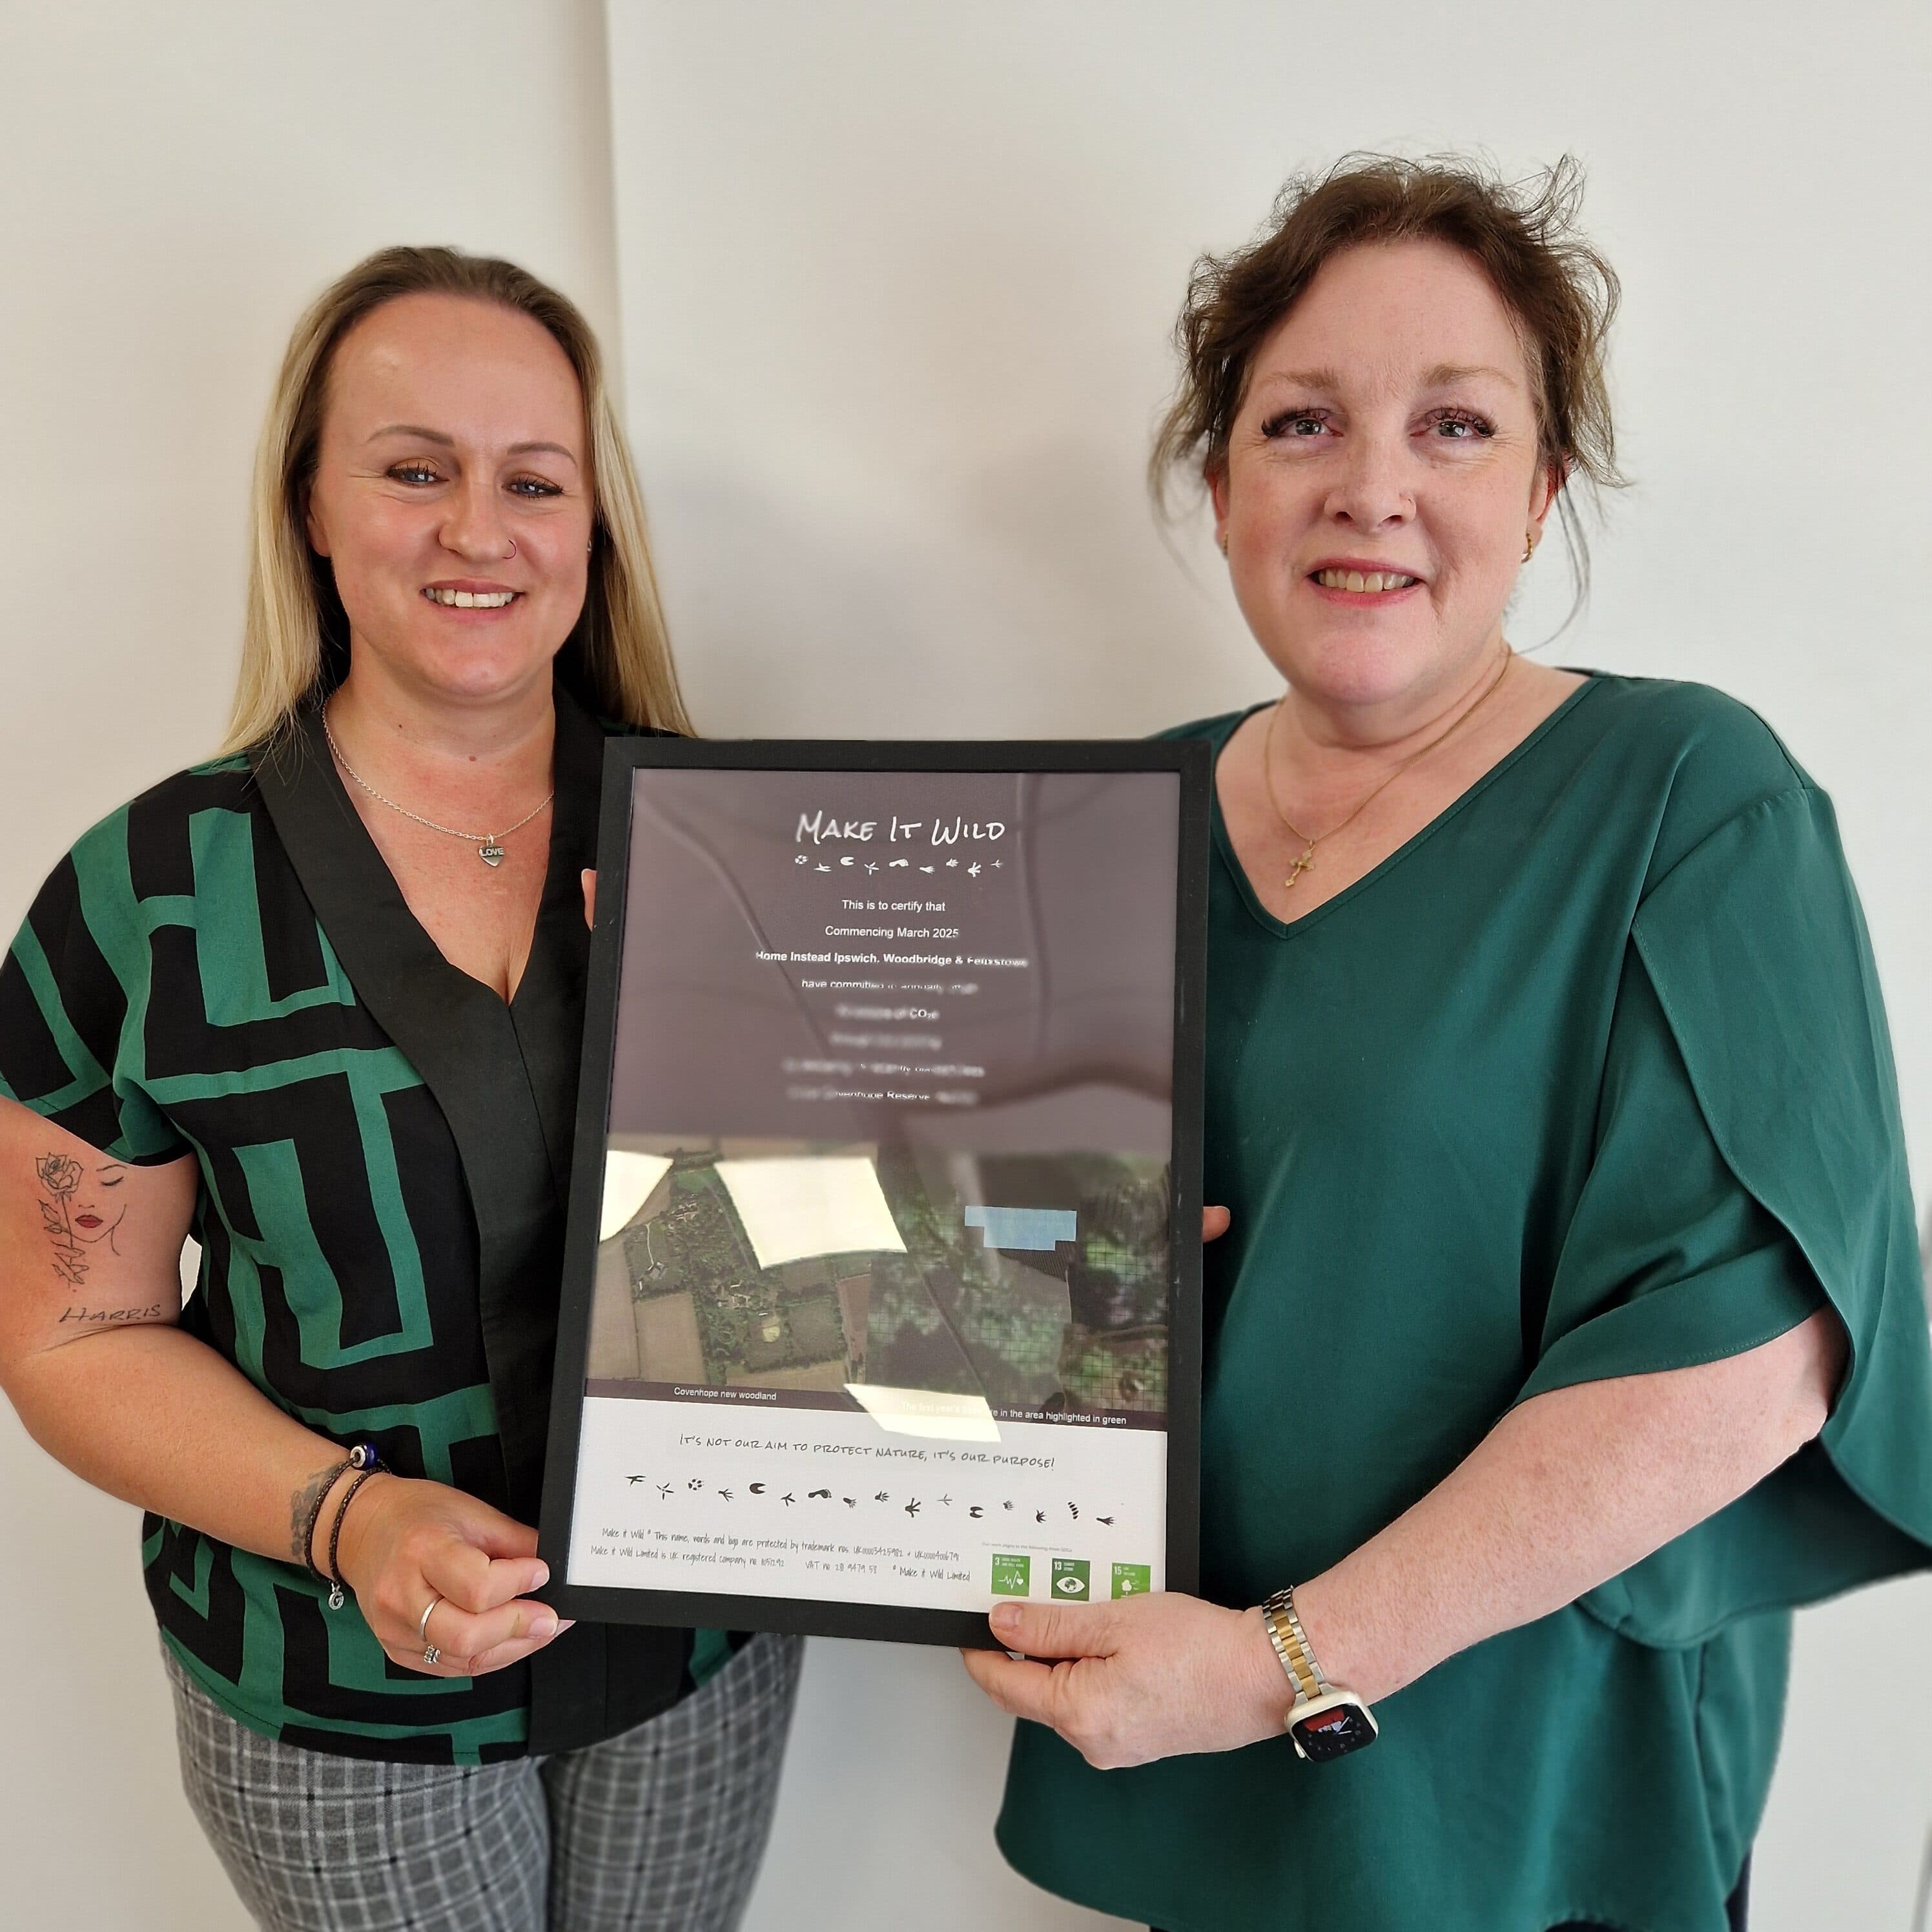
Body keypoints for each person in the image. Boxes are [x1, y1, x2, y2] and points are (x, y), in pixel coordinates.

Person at [967, 156, 1932, 1932]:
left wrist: (1280, 1668)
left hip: (1523, 1778)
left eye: (1457, 426)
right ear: (1222, 474)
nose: (1374, 489)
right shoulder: (1112, 820)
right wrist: (715, 1016)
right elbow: (970, 1250)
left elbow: (1754, 1350)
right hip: (1183, 1741)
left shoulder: (1688, 802)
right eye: (1305, 421)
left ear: (1547, 483)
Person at [0, 247, 799, 1931]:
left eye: (533, 479)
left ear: (593, 522)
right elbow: (69, 1335)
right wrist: (348, 1519)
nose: (475, 531)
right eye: (414, 469)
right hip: (338, 1707)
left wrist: (1079, 1241)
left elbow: (868, 1237)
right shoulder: (143, 899)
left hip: (700, 1658)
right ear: (310, 500)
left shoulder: (752, 851)